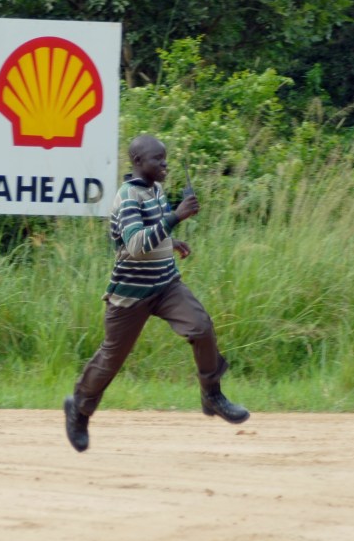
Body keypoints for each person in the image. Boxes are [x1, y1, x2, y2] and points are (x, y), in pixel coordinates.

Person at [64, 135, 248, 453]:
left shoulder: (156, 190)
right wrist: (176, 217)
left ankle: (211, 395)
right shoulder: (127, 197)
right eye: (157, 159)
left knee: (201, 327)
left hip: (165, 284)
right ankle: (79, 408)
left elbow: (153, 232)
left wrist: (171, 242)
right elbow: (135, 245)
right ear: (137, 162)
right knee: (111, 358)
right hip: (131, 294)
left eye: (165, 158)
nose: (164, 164)